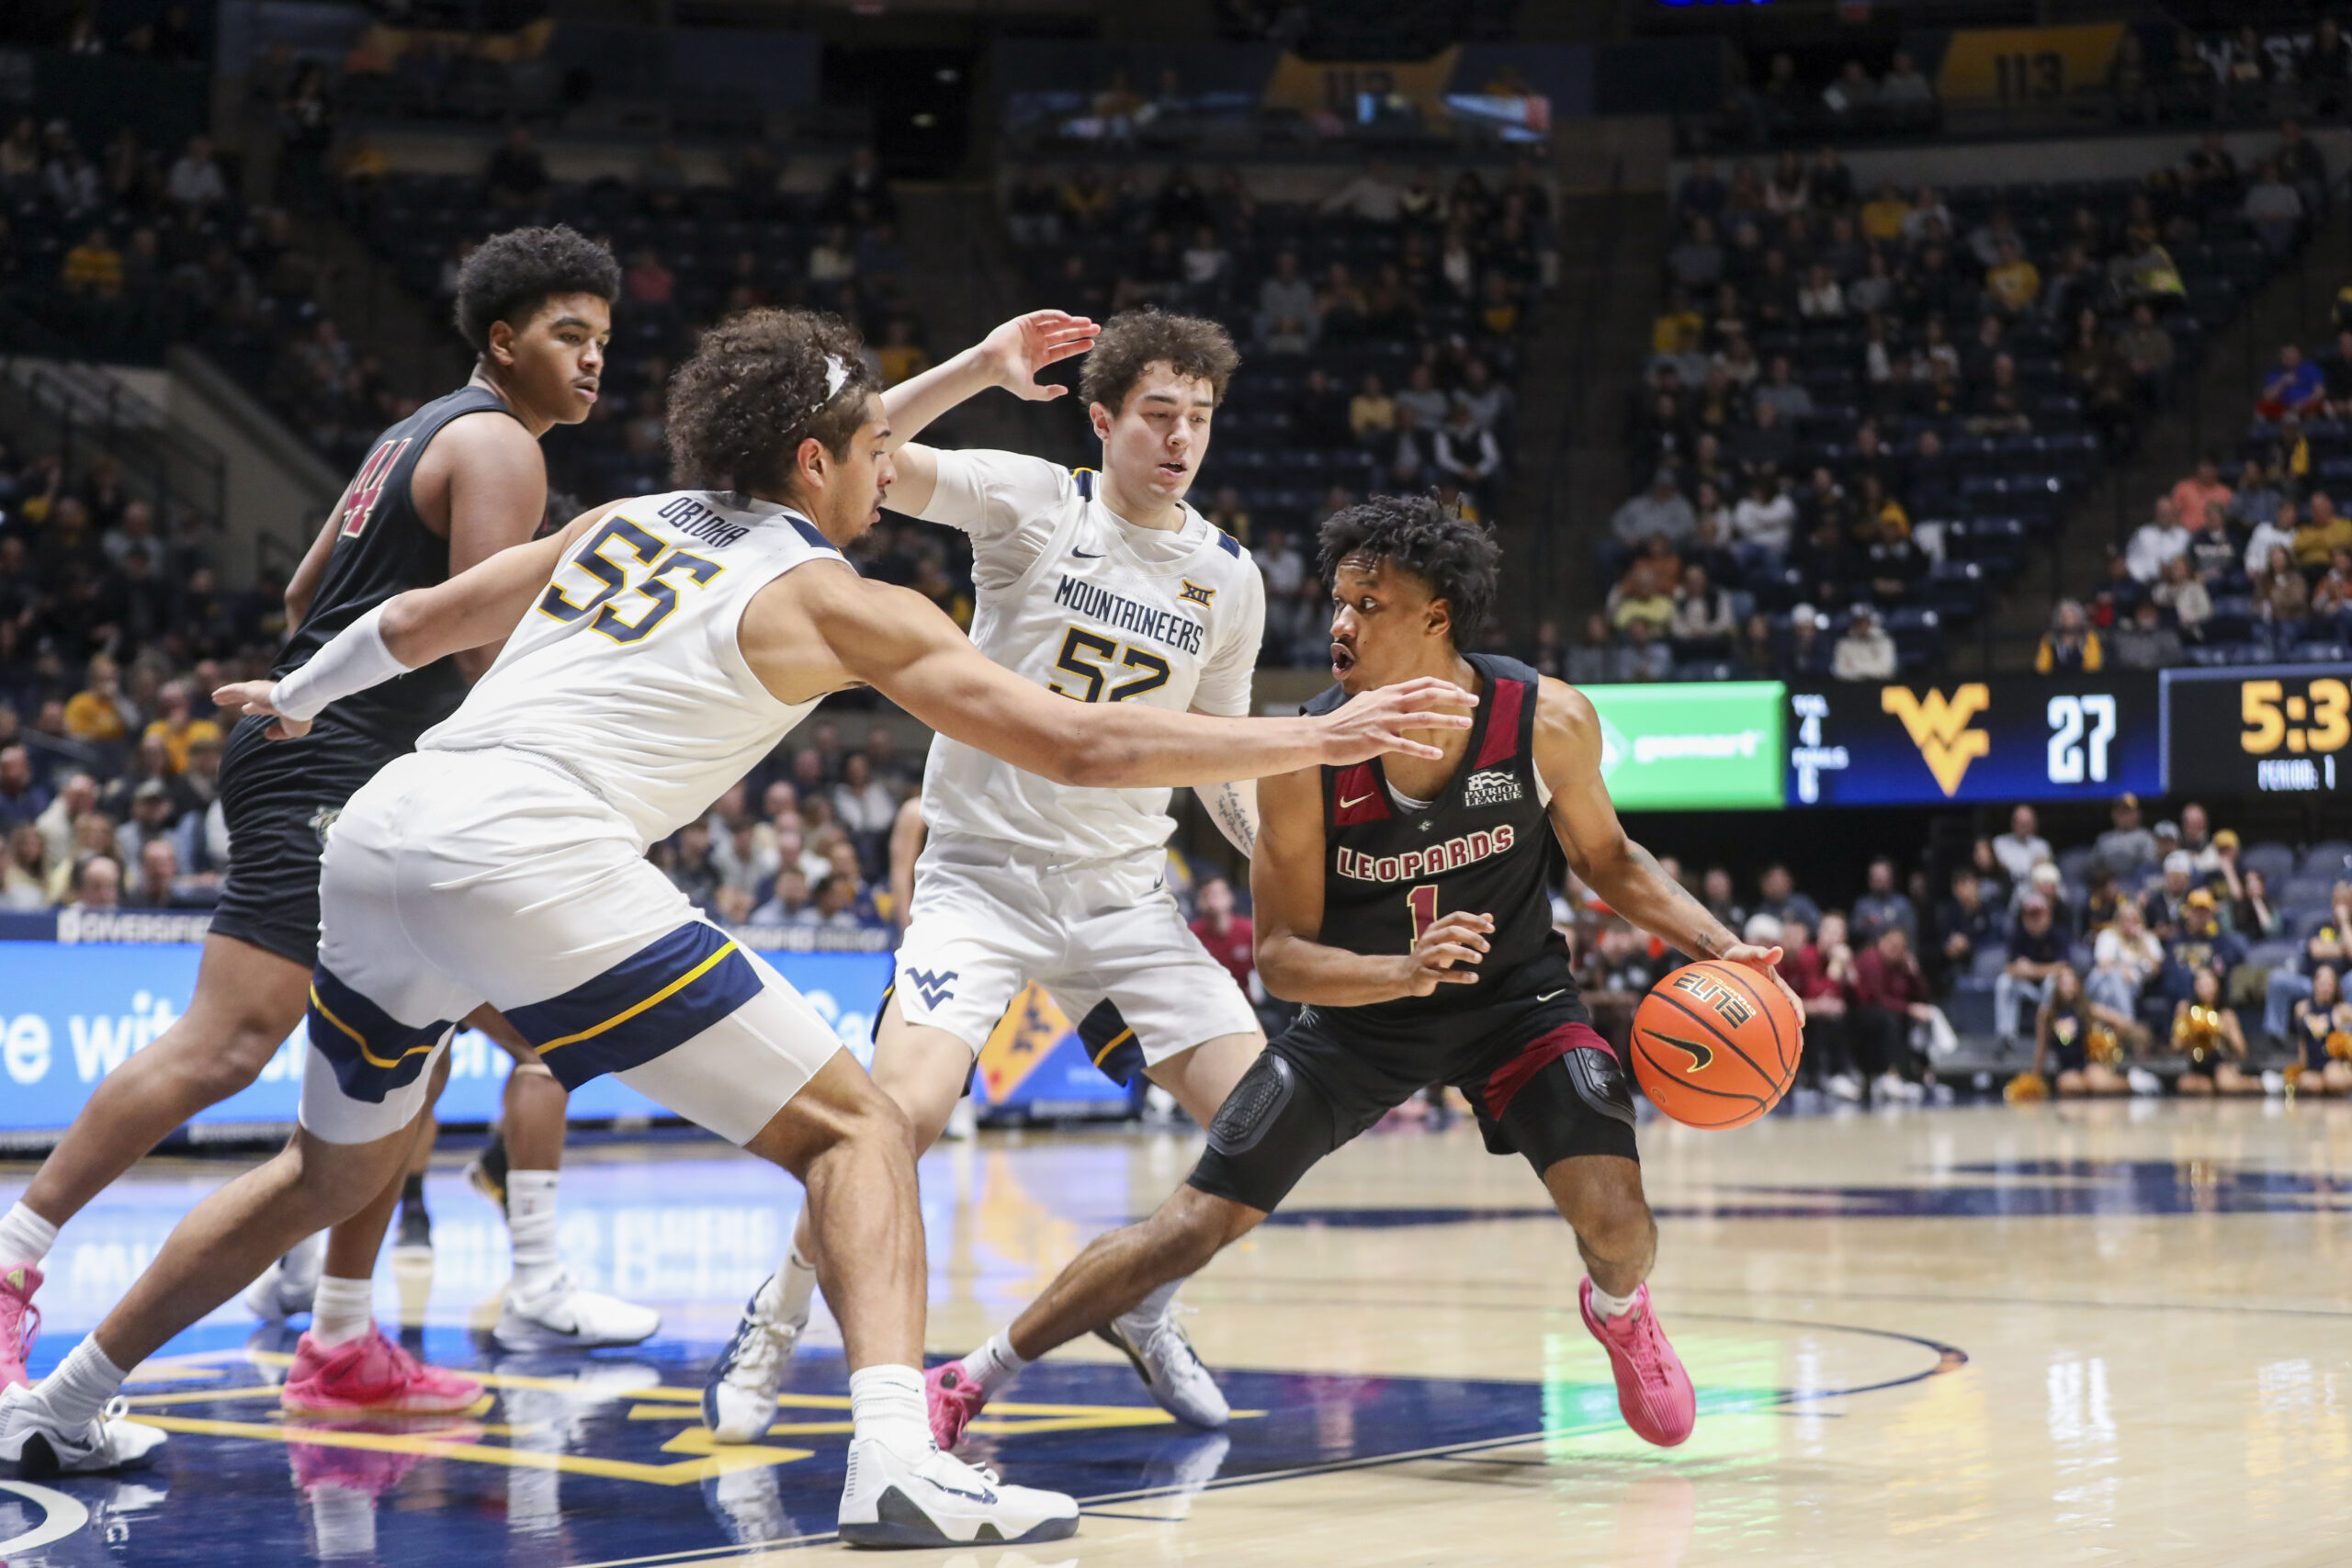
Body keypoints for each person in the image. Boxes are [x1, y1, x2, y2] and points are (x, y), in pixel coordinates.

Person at [0, 309, 1463, 1543]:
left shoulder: (624, 516)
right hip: (533, 851)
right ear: (814, 460)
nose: (895, 465)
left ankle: (58, 1404)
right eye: (872, 448)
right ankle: (895, 1452)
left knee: (329, 1166)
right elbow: (1075, 744)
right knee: (858, 1129)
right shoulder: (842, 597)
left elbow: (432, 617)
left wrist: (299, 695)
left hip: (388, 828)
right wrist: (1316, 739)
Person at [924, 497, 1798, 1459]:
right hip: (1357, 1021)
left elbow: (1611, 862)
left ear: (1437, 617)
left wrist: (1723, 949)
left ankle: (1620, 1312)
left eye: (1369, 605)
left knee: (1620, 1221)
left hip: (1518, 1008)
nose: (1339, 624)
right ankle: (971, 1376)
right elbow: (1284, 956)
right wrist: (1401, 970)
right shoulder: (1300, 760)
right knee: (1188, 1227)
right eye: (1338, 601)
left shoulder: (1545, 720)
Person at [0, 229, 653, 1406]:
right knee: (231, 1041)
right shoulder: (498, 441)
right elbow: (482, 649)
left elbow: (308, 594)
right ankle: (10, 1267)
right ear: (502, 343)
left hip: (345, 751)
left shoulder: (412, 432)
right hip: (332, 760)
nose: (594, 359)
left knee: (414, 1046)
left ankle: (344, 1338)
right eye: (569, 334)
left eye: (603, 340)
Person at [705, 308, 1279, 1443]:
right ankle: (771, 1324)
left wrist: (1288, 858)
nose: (1180, 439)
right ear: (1101, 416)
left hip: (1120, 895)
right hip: (980, 879)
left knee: (1273, 1126)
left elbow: (1224, 760)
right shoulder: (1031, 500)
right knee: (896, 1122)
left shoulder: (1230, 577)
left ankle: (1141, 1301)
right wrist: (974, 366)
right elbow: (856, 447)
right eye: (1157, 415)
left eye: (1199, 419)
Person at [2031, 964, 2134, 1098]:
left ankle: (2136, 1083)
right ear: (2056, 987)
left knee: (2099, 1085)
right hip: (2067, 1068)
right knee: (2071, 1086)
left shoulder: (2087, 1009)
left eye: (2071, 983)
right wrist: (2035, 1077)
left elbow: (2123, 1023)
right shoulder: (2047, 1014)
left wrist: (2107, 1043)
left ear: (2077, 986)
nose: (2068, 988)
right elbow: (2041, 1047)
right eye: (2064, 984)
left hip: (2088, 1064)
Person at [1994, 894, 2068, 1051]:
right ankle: (2006, 1036)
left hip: (2050, 991)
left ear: (2047, 914)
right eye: (2030, 915)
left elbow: (2063, 968)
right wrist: (2019, 970)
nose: (2034, 920)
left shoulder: (2058, 934)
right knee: (2004, 982)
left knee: (2052, 981)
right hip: (2028, 989)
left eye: (2038, 914)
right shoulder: (2019, 936)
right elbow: (2008, 968)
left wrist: (2032, 970)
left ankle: (2048, 1035)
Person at [2173, 968, 2254, 1096]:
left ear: (2217, 985)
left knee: (2226, 1084)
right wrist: (2190, 1032)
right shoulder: (2186, 1009)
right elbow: (2175, 1046)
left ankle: (2262, 1083)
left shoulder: (2226, 1014)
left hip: (2221, 1064)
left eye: (2209, 983)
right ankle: (2212, 1086)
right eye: (2201, 984)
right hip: (2198, 1065)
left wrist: (2223, 1032)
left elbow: (2242, 1051)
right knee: (2185, 1084)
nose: (2205, 988)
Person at [2290, 966, 2352, 1096]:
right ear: (2314, 983)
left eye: (2329, 984)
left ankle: (2335, 1083)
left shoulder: (2341, 1010)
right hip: (2314, 1067)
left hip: (2332, 1065)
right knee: (2306, 1083)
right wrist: (2302, 1065)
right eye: (2322, 983)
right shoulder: (2302, 1009)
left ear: (2335, 987)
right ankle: (2327, 1086)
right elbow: (2302, 1041)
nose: (2325, 988)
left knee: (2333, 1079)